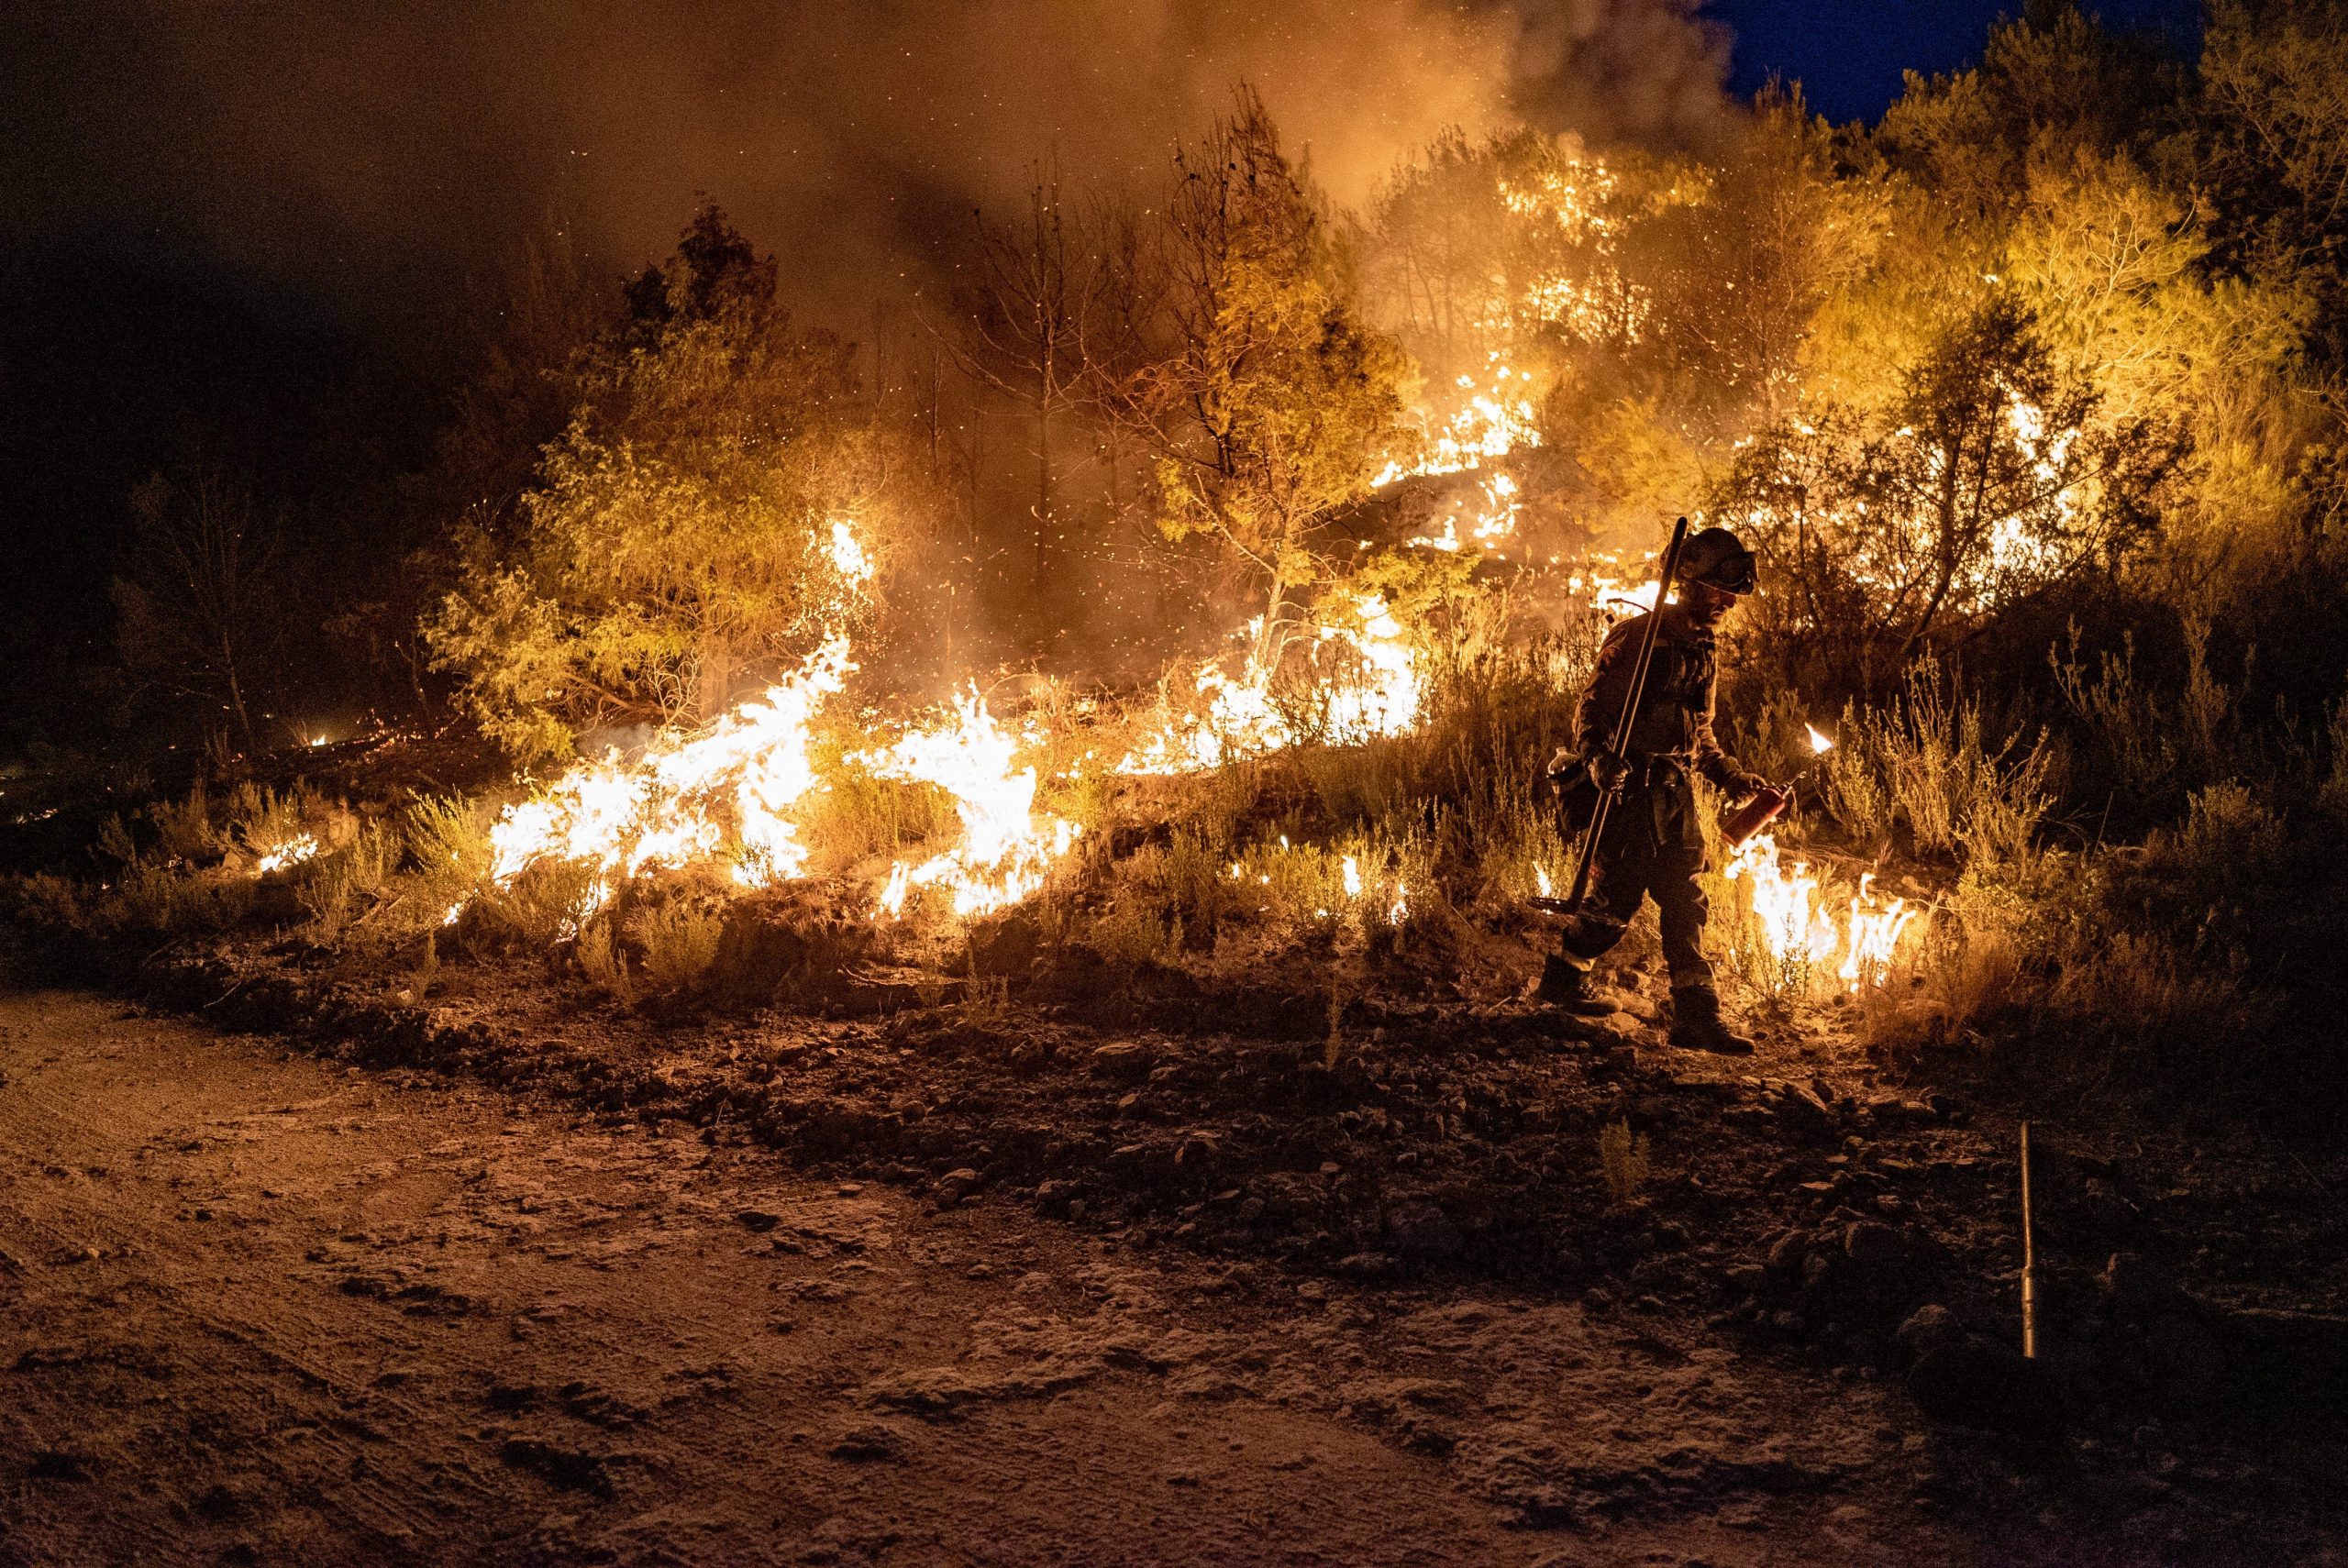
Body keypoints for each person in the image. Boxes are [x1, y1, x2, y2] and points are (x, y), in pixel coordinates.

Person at [1541, 525, 1770, 1055]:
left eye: (1731, 593)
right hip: (1629, 793)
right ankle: (1561, 986)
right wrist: (1598, 760)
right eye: (1716, 590)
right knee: (1615, 904)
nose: (1725, 602)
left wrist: (1730, 777)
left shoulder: (1703, 646)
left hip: (1674, 793)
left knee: (1685, 900)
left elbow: (1700, 731)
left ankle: (1696, 1016)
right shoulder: (1637, 638)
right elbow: (1592, 711)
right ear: (1687, 583)